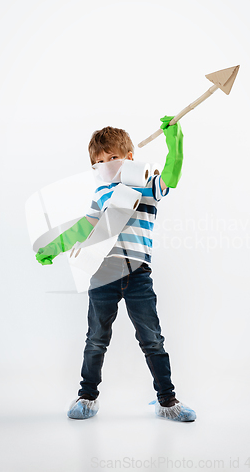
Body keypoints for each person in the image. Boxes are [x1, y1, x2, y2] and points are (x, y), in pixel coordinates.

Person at [36, 116, 196, 422]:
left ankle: (168, 402)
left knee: (152, 339)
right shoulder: (102, 194)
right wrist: (54, 246)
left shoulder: (147, 187)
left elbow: (171, 177)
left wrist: (175, 142)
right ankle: (87, 397)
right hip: (103, 274)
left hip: (138, 276)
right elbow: (84, 227)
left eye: (114, 157)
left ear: (130, 157)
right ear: (94, 167)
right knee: (96, 339)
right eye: (101, 160)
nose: (108, 163)